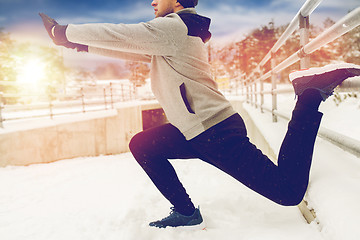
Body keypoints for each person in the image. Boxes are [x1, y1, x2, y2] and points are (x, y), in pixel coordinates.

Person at [40, 0, 360, 229]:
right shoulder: (173, 31)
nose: (151, 2)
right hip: (195, 130)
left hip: (215, 132)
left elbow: (120, 33)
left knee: (288, 191)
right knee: (143, 144)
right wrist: (75, 45)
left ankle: (307, 96)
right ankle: (186, 211)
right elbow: (127, 47)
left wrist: (65, 32)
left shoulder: (173, 28)